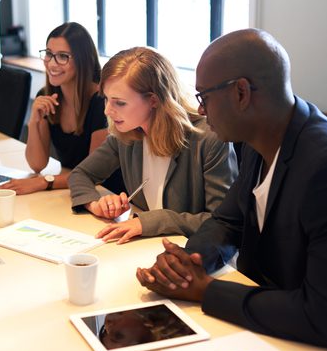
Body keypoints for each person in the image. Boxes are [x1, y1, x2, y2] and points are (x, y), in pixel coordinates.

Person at [136, 29, 327, 351]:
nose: (200, 109)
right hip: (274, 329)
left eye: (204, 97)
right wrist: (187, 266)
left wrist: (206, 290)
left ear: (241, 92)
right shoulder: (260, 139)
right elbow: (227, 220)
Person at [68, 46, 237, 243]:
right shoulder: (125, 133)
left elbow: (221, 223)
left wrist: (149, 222)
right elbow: (81, 174)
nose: (107, 111)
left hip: (194, 255)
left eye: (119, 103)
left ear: (153, 100)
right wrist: (95, 203)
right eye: (106, 99)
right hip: (146, 247)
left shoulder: (208, 139)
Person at [0, 22, 123, 195]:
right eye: (49, 54)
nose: (52, 63)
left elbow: (94, 173)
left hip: (106, 194)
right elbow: (37, 164)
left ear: (83, 60)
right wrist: (34, 121)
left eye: (63, 56)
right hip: (72, 188)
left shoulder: (101, 102)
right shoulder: (47, 97)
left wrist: (43, 182)